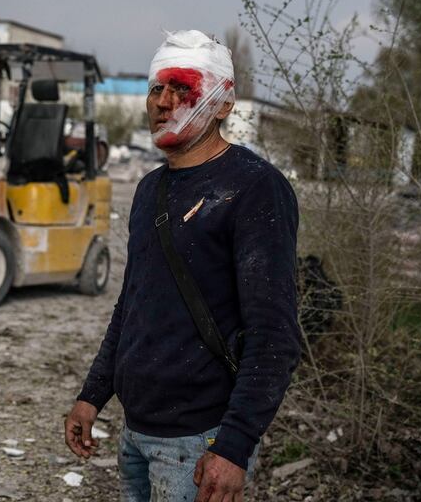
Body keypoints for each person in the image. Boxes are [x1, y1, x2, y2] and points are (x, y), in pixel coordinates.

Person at [64, 30, 301, 502]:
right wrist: (93, 396)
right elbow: (133, 304)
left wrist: (232, 448)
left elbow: (274, 336)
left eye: (182, 88)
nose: (163, 102)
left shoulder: (254, 188)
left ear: (223, 103)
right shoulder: (151, 189)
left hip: (199, 440)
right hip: (137, 432)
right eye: (156, 89)